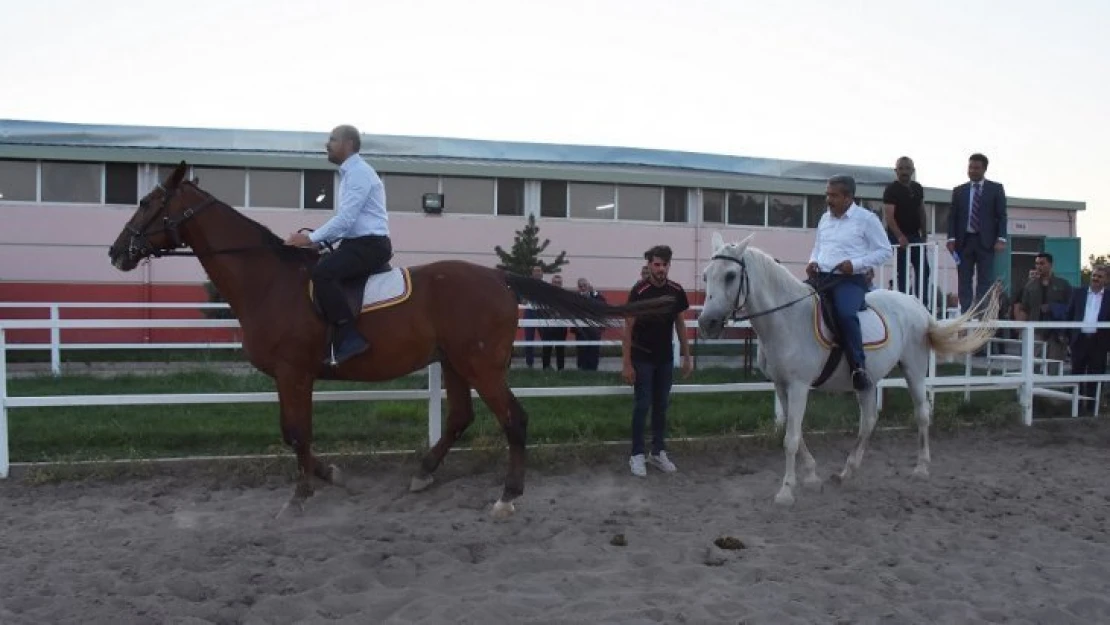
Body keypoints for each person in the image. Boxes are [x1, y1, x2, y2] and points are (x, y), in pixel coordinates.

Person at [285, 124, 392, 366]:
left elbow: (345, 220)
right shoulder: (350, 174)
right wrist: (319, 244)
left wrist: (310, 239)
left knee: (323, 274)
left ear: (348, 144)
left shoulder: (359, 174)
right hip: (357, 242)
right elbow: (347, 224)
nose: (327, 144)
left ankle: (349, 337)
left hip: (370, 245)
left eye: (333, 140)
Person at [806, 175, 894, 391]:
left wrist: (855, 265)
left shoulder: (867, 219)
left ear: (848, 197)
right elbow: (818, 246)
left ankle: (858, 368)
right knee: (793, 304)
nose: (828, 199)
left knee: (845, 314)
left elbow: (885, 251)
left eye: (833, 195)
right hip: (822, 277)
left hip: (850, 281)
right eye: (827, 194)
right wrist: (812, 261)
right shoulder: (825, 219)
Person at [622, 244, 692, 477]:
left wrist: (686, 356)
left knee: (661, 405)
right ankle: (637, 454)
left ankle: (658, 451)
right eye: (657, 264)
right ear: (649, 265)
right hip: (642, 358)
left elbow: (681, 324)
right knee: (642, 405)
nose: (661, 269)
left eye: (665, 264)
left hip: (664, 359)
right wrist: (626, 363)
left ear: (669, 265)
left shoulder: (676, 291)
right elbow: (628, 328)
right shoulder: (639, 291)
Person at [947, 153, 1007, 314]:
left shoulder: (995, 189)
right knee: (964, 280)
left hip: (986, 242)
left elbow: (1002, 215)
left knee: (984, 280)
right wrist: (951, 238)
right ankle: (966, 314)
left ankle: (981, 314)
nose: (972, 171)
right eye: (970, 167)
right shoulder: (959, 191)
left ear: (984, 169)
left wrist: (1001, 238)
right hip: (964, 242)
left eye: (976, 168)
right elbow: (952, 216)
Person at [883, 156, 931, 305]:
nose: (904, 171)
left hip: (915, 235)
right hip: (897, 237)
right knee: (902, 272)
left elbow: (921, 211)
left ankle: (921, 304)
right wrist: (899, 236)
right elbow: (889, 217)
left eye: (907, 168)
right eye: (901, 168)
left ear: (913, 170)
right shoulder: (891, 190)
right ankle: (904, 304)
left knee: (924, 269)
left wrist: (924, 233)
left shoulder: (917, 188)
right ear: (896, 170)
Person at [1064, 265, 1109, 413]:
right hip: (1080, 340)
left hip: (1099, 342)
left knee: (1095, 376)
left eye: (1099, 276)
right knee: (1076, 374)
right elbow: (1069, 315)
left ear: (1106, 280)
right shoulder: (1079, 293)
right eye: (1094, 275)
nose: (1095, 278)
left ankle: (1092, 409)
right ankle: (1074, 408)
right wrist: (1067, 337)